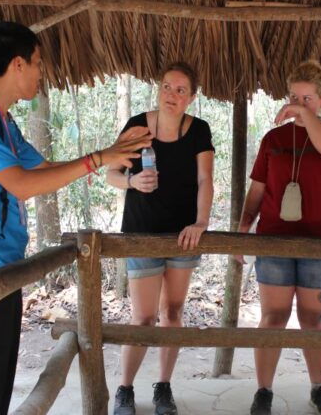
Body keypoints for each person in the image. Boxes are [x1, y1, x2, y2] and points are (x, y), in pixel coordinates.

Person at [0, 21, 151, 415]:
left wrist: (105, 153)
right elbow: (21, 184)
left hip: (2, 267)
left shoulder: (2, 120)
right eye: (37, 63)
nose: (41, 72)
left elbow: (46, 170)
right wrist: (97, 159)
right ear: (17, 64)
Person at [235, 60, 321, 415]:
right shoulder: (273, 139)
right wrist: (243, 227)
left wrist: (303, 115)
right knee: (273, 316)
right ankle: (264, 391)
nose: (299, 104)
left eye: (308, 98)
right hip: (274, 240)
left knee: (314, 320)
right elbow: (257, 189)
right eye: (294, 97)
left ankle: (319, 388)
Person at [106, 62, 214, 415]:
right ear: (158, 89)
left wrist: (201, 222)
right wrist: (132, 182)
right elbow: (112, 173)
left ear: (191, 98)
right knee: (143, 317)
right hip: (141, 232)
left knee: (173, 311)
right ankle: (124, 389)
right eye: (167, 87)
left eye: (181, 90)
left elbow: (205, 180)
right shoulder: (137, 127)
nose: (172, 95)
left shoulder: (199, 130)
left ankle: (163, 386)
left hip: (183, 234)